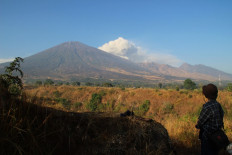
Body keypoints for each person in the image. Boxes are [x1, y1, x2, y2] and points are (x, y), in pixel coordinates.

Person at [195, 83, 224, 155]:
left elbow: (200, 122)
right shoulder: (218, 104)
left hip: (208, 137)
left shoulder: (207, 106)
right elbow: (222, 115)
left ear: (206, 95)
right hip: (218, 135)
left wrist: (197, 125)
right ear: (216, 94)